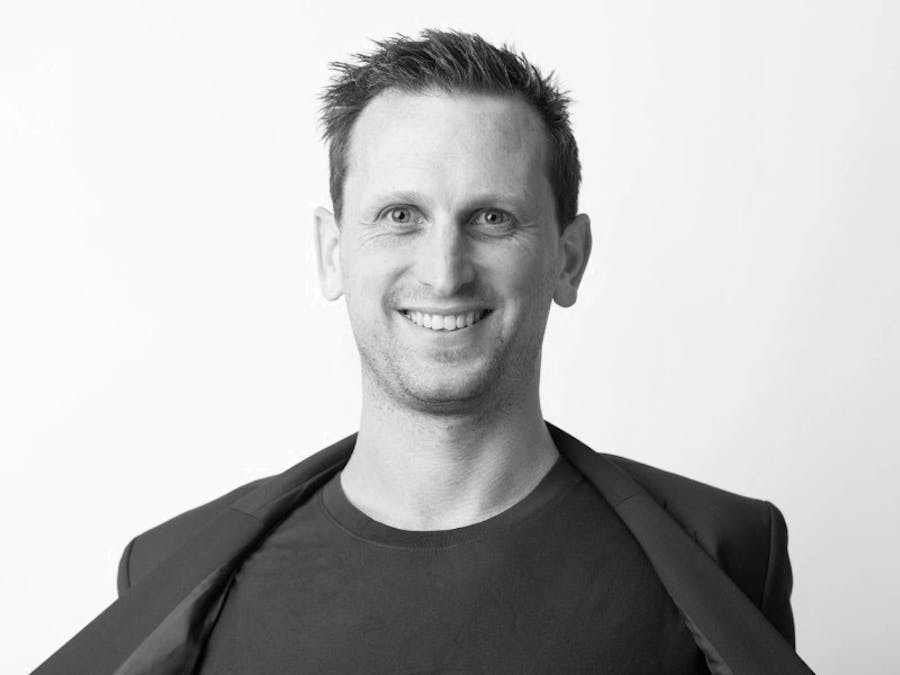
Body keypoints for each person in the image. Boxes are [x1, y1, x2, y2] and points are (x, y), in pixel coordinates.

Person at [34, 29, 813, 675]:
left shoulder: (727, 555)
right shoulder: (167, 572)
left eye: (493, 218)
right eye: (400, 215)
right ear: (332, 253)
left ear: (569, 259)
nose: (444, 271)